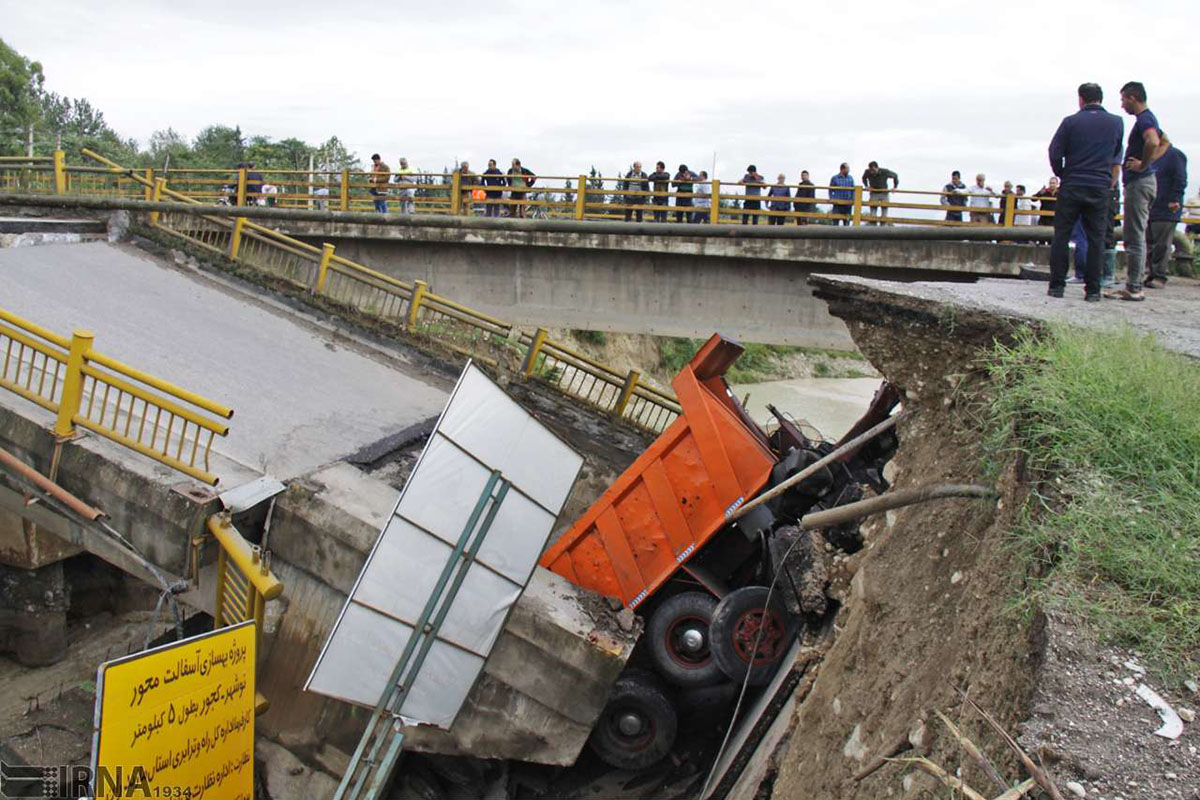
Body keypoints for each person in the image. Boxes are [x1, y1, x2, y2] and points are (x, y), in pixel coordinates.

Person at [1045, 82, 1124, 302]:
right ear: (1101, 98)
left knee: (1061, 235)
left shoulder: (1070, 122)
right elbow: (1116, 153)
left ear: (1081, 99)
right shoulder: (1116, 123)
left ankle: (1057, 286)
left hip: (1072, 183)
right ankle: (1093, 290)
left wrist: (1062, 173)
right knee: (1096, 238)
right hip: (1099, 186)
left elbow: (1054, 151)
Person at [1112, 81, 1171, 301]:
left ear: (1132, 98)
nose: (1122, 105)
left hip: (1140, 182)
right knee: (1138, 234)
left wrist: (1143, 165)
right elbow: (1165, 142)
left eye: (1123, 100)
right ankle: (1133, 283)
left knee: (1134, 235)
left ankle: (1134, 287)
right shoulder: (1149, 118)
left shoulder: (1145, 118)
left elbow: (1154, 142)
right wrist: (1151, 163)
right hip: (1145, 181)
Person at [1145, 143, 1188, 288]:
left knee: (1162, 244)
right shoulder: (1150, 157)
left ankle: (1159, 276)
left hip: (1166, 207)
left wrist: (1174, 199)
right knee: (1149, 242)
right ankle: (1151, 273)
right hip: (1151, 205)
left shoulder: (1174, 155)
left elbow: (1180, 178)